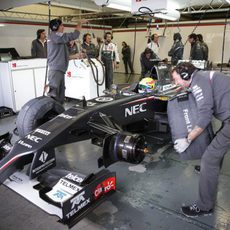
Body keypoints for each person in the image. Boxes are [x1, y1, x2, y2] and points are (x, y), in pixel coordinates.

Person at [171, 61, 230, 217]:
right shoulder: (200, 77)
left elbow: (204, 117)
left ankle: (204, 207)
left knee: (209, 159)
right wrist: (185, 87)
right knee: (216, 149)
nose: (176, 83)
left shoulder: (198, 84)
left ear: (185, 75)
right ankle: (209, 171)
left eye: (177, 79)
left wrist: (187, 140)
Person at [47, 18, 84, 104]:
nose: (63, 27)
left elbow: (62, 55)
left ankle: (59, 113)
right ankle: (52, 114)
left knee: (61, 94)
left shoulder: (56, 38)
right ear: (56, 27)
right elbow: (74, 35)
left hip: (59, 70)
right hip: (56, 71)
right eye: (62, 25)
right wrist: (79, 23)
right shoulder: (55, 36)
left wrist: (74, 55)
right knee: (54, 95)